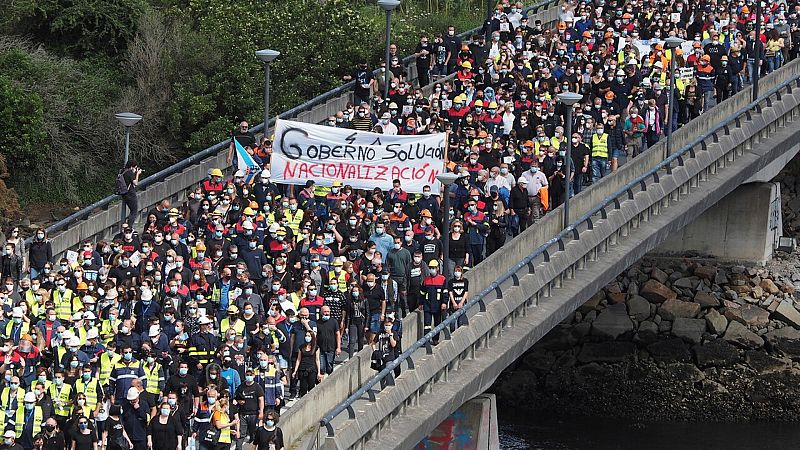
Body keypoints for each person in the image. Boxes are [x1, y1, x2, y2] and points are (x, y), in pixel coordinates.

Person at [117, 160, 143, 228]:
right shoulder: (129, 172)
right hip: (130, 194)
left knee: (132, 210)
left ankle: (126, 223)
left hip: (124, 193)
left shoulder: (122, 171)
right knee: (134, 211)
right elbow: (135, 183)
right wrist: (137, 174)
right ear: (132, 167)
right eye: (135, 167)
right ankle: (129, 226)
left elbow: (128, 181)